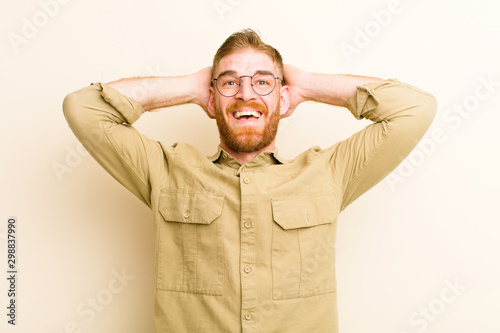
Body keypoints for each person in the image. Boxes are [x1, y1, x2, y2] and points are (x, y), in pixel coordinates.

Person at [63, 28, 436, 333]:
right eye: (229, 83)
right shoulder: (166, 171)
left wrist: (305, 84)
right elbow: (84, 109)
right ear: (212, 100)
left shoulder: (329, 172)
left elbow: (414, 109)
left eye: (262, 82)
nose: (245, 93)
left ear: (283, 98)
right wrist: (191, 86)